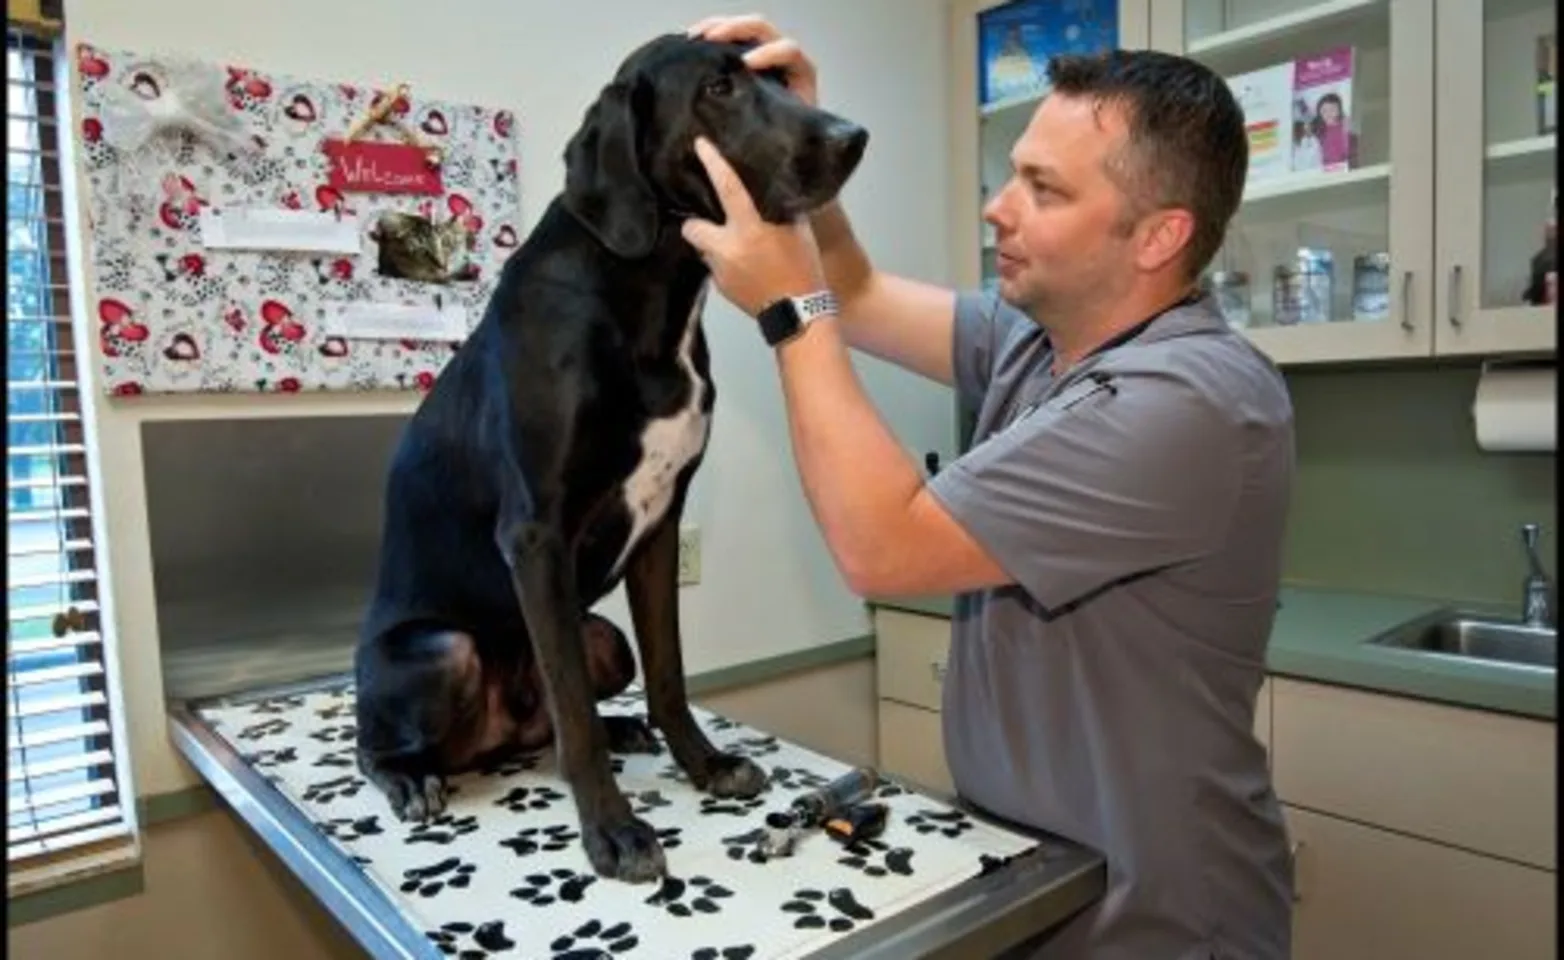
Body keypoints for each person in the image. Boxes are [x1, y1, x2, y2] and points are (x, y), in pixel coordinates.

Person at [681, 14, 1295, 960]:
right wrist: (804, 140)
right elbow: (862, 292)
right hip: (1041, 878)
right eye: (1013, 172)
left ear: (1159, 236)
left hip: (1158, 916)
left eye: (1042, 189)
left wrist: (788, 310)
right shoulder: (1038, 339)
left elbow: (878, 543)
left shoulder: (1189, 400)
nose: (997, 207)